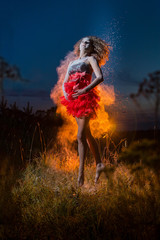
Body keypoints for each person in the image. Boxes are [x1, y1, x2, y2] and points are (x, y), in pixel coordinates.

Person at [60, 36, 110, 187]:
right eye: (83, 41)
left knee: (80, 136)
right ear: (79, 45)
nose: (85, 43)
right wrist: (66, 93)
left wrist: (85, 89)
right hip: (74, 100)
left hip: (85, 99)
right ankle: (99, 164)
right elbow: (65, 81)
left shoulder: (91, 60)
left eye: (89, 42)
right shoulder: (72, 62)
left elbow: (100, 77)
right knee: (87, 134)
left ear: (91, 47)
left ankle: (81, 175)